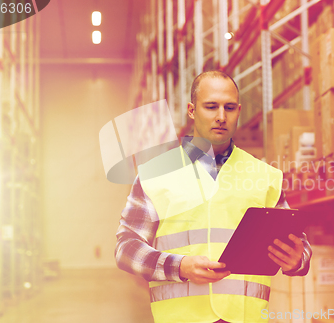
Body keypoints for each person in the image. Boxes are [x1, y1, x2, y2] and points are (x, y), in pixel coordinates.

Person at [115, 70, 312, 323]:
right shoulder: (155, 175)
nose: (221, 116)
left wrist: (298, 259)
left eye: (229, 108)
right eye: (211, 106)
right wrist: (179, 266)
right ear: (191, 110)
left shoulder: (265, 176)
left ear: (239, 111)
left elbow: (300, 245)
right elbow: (126, 248)